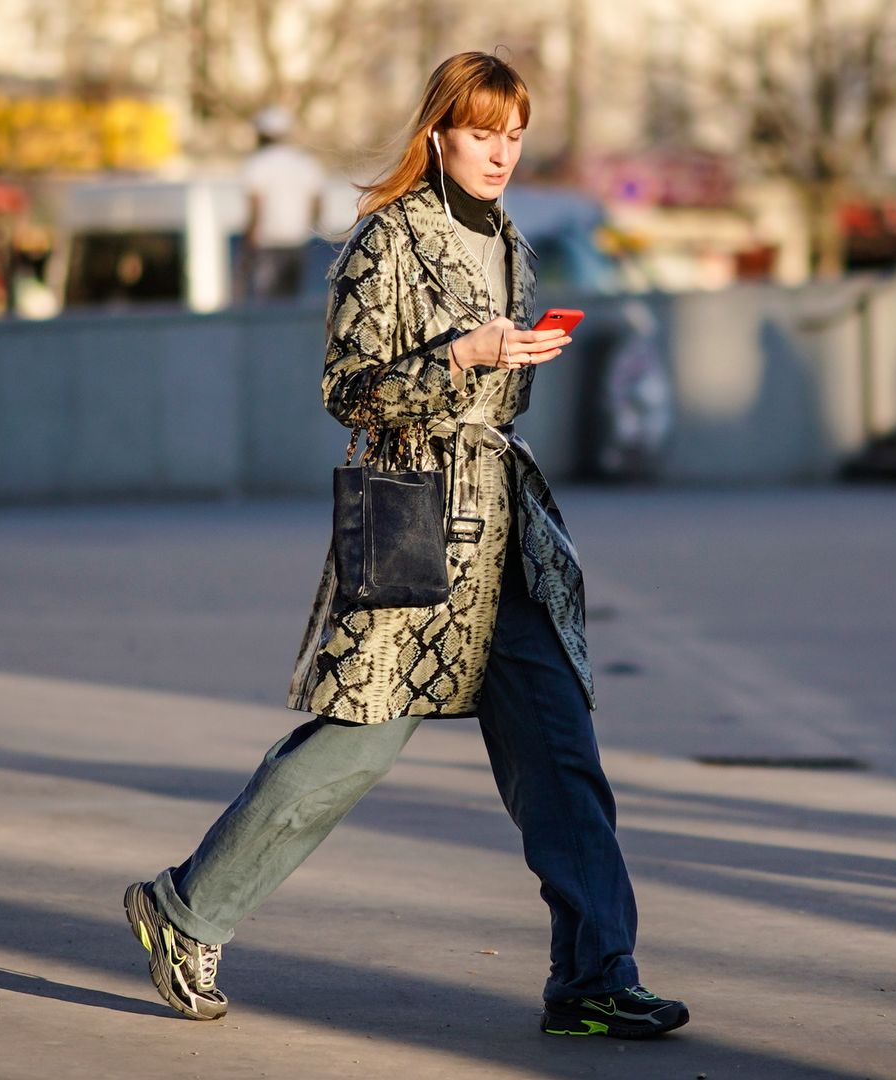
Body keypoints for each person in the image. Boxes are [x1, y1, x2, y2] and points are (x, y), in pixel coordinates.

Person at [123, 51, 690, 1040]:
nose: (500, 152)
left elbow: (502, 402)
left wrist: (511, 358)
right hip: (406, 503)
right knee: (358, 736)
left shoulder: (513, 245)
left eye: (514, 135)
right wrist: (463, 355)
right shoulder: (383, 242)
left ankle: (596, 974)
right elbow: (349, 389)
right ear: (438, 134)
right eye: (482, 133)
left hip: (504, 518)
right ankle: (182, 912)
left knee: (562, 748)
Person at [239, 106, 328, 302]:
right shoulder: (306, 163)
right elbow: (317, 203)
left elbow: (256, 205)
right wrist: (312, 230)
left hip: (268, 243)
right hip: (299, 242)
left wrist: (249, 238)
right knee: (293, 302)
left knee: (269, 304)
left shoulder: (258, 163)